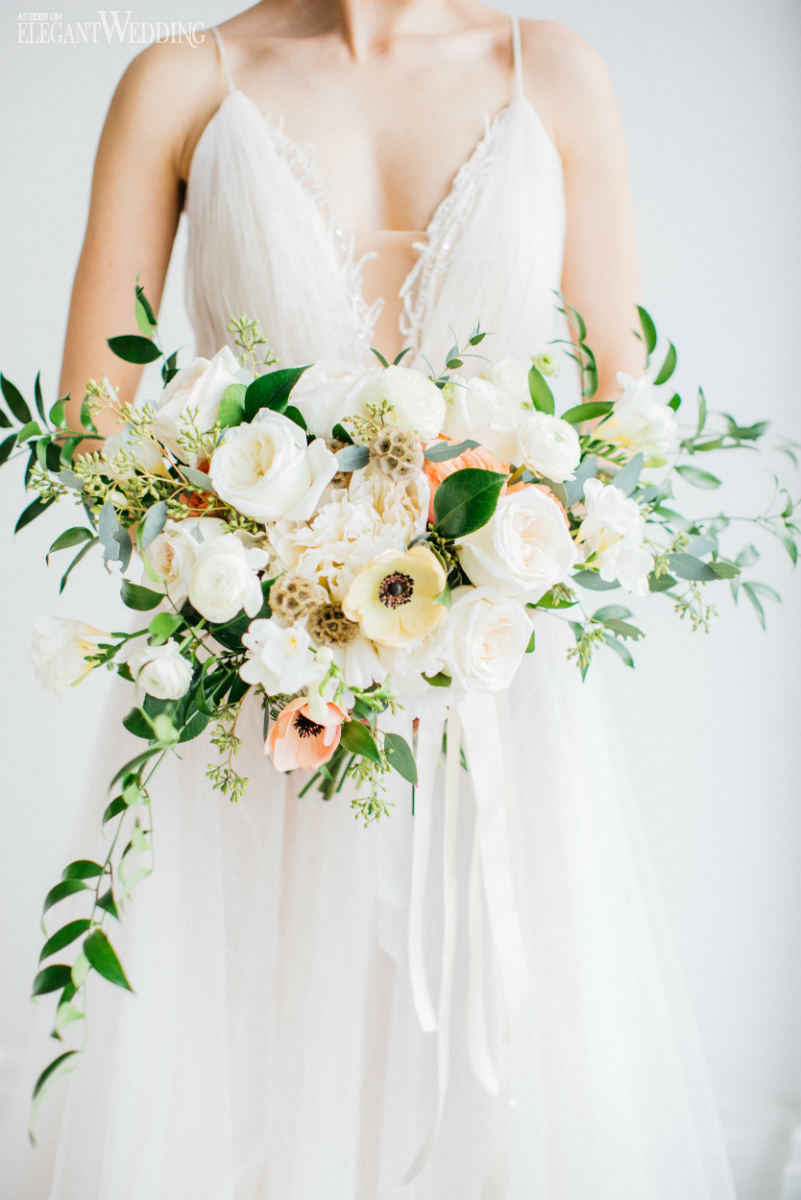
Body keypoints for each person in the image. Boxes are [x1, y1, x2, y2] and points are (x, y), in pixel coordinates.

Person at [2, 3, 740, 1197]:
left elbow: (625, 427)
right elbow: (90, 434)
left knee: (495, 1076)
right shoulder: (180, 82)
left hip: (495, 691)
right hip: (260, 698)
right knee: (243, 1066)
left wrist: (479, 548)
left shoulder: (551, 74)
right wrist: (277, 554)